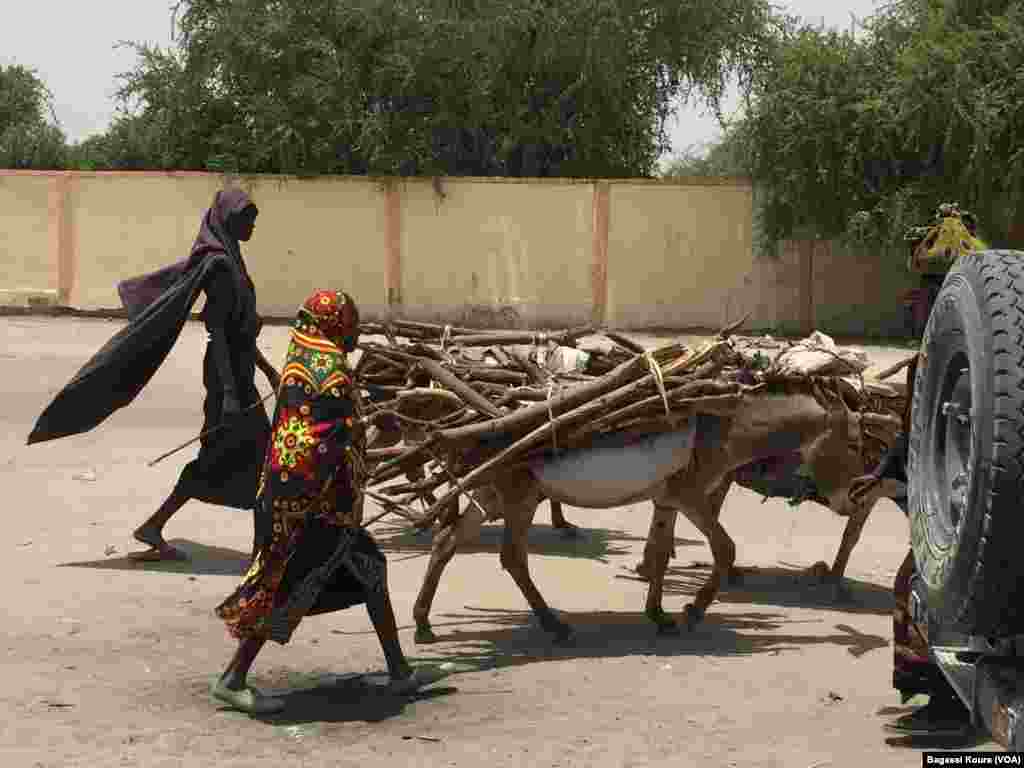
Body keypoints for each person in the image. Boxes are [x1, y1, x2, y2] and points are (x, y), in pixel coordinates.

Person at [212, 289, 445, 715]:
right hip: (312, 506)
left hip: (292, 497)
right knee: (282, 585)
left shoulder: (304, 356)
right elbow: (325, 438)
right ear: (337, 325)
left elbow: (319, 423)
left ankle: (398, 670)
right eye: (351, 323)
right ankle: (232, 678)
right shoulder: (332, 370)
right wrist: (361, 431)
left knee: (371, 568)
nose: (356, 331)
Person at [27, 187, 279, 561]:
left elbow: (239, 332)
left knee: (240, 456)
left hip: (237, 373)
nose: (253, 225)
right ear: (229, 219)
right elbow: (221, 335)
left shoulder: (233, 260)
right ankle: (265, 549)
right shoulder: (222, 266)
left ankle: (160, 526)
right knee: (250, 455)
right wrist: (228, 393)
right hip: (228, 377)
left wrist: (268, 370)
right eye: (247, 218)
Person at [852, 202, 987, 736]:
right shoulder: (931, 359)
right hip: (960, 499)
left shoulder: (958, 358)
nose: (920, 302)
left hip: (973, 503)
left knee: (922, 586)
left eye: (932, 289)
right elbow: (916, 433)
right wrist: (887, 469)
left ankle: (949, 705)